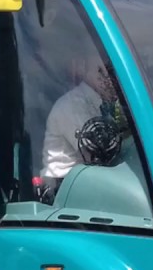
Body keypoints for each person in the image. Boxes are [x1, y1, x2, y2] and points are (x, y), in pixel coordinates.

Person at [41, 53, 118, 182]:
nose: (108, 79)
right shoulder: (73, 105)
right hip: (62, 185)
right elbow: (95, 155)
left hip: (83, 180)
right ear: (84, 70)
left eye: (111, 72)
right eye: (100, 71)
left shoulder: (100, 105)